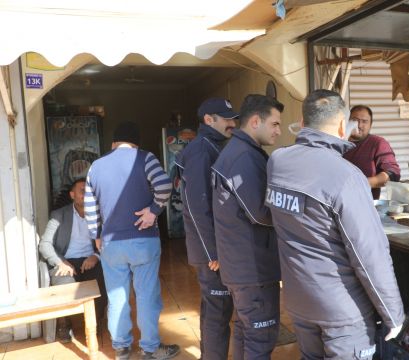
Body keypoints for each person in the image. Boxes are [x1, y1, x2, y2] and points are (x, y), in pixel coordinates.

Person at [265, 90, 404, 360]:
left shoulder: (277, 162)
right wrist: (393, 314)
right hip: (342, 312)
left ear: (302, 123)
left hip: (300, 301)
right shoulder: (348, 176)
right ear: (343, 126)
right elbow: (368, 254)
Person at [84, 121, 179, 360]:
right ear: (136, 143)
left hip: (110, 244)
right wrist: (153, 211)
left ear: (114, 143)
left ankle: (121, 348)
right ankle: (150, 349)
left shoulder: (95, 166)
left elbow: (90, 207)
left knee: (117, 295)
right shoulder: (145, 158)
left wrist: (96, 235)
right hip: (143, 240)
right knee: (146, 294)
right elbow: (165, 184)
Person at [211, 94, 284, 359]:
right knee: (260, 338)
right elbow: (261, 213)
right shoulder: (244, 158)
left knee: (245, 331)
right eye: (275, 124)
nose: (278, 130)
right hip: (251, 268)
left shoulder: (238, 152)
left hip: (240, 264)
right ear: (255, 121)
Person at [174, 98, 238, 360]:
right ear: (209, 120)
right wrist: (214, 251)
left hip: (211, 248)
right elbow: (196, 206)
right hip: (210, 251)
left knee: (214, 309)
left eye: (234, 118)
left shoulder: (210, 145)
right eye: (227, 119)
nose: (232, 124)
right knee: (218, 312)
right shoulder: (202, 150)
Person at [38, 178, 107, 343]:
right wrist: (60, 262)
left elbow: (108, 242)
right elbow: (45, 244)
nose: (86, 193)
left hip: (89, 260)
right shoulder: (59, 215)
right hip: (66, 261)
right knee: (64, 285)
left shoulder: (99, 214)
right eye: (82, 190)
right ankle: (64, 323)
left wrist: (95, 257)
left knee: (102, 279)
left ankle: (94, 321)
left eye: (89, 190)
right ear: (72, 195)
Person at [343, 104, 401, 199]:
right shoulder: (338, 142)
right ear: (347, 121)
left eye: (364, 121)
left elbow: (393, 173)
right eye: (354, 120)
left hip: (366, 205)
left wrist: (361, 184)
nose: (359, 125)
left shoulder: (377, 143)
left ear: (370, 125)